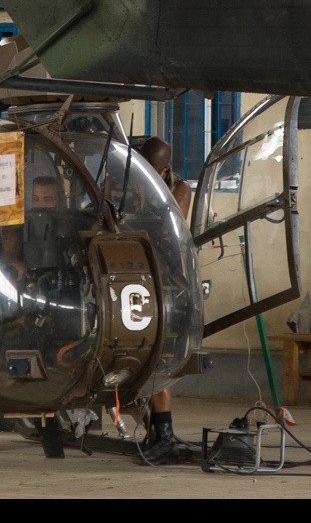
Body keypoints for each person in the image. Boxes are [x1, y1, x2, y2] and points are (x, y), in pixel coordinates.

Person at [134, 136, 190, 464]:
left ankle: (165, 436)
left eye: (151, 170)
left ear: (164, 168)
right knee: (147, 359)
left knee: (159, 361)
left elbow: (170, 229)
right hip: (139, 275)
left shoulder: (178, 188)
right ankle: (158, 433)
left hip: (167, 278)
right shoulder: (130, 180)